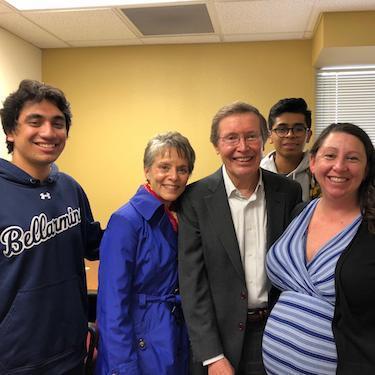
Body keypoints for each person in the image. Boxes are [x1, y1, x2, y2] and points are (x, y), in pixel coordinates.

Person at [178, 101, 302, 375]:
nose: (242, 148)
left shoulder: (288, 192)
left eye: (251, 136)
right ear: (216, 145)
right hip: (219, 341)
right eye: (231, 138)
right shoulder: (194, 199)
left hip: (277, 333)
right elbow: (192, 284)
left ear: (264, 139)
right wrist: (212, 356)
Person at [0, 79, 102, 374]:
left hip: (71, 352)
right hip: (14, 361)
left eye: (58, 123)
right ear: (11, 130)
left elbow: (96, 245)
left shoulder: (69, 187)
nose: (48, 132)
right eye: (35, 121)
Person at [262, 123, 375, 374]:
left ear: (366, 168)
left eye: (353, 158)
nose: (340, 166)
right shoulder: (300, 211)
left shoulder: (370, 228)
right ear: (313, 162)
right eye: (330, 155)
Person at [96, 131, 196, 375]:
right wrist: (122, 367)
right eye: (164, 167)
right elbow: (112, 305)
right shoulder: (126, 221)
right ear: (147, 170)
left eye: (182, 169)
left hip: (174, 336)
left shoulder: (182, 216)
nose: (173, 177)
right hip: (139, 343)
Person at [261, 98, 320, 201]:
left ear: (308, 135)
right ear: (270, 136)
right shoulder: (257, 173)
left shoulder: (319, 172)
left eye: (298, 129)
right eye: (282, 129)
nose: (290, 135)